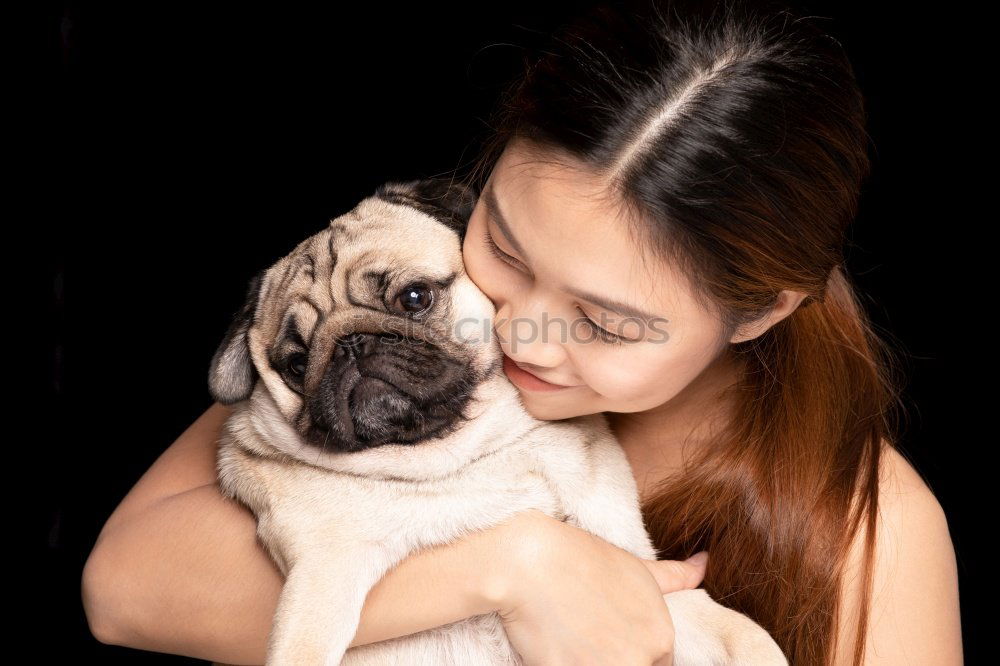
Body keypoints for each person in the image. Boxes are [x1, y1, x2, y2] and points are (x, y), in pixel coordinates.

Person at [81, 0, 963, 664]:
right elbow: (124, 584)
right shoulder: (407, 296)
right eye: (501, 244)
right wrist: (516, 566)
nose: (524, 329)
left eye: (607, 324)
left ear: (762, 308)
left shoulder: (868, 524)